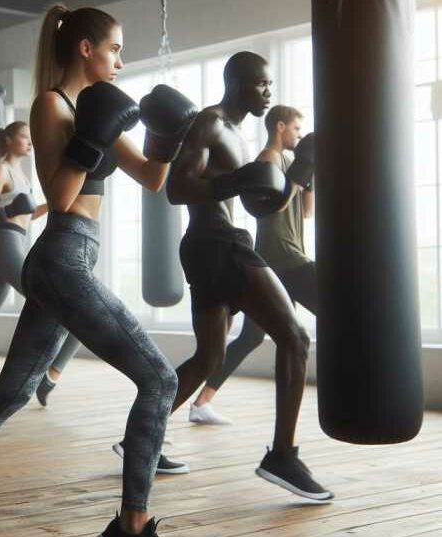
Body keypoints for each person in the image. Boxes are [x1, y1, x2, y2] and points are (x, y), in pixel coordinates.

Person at [0, 5, 197, 537]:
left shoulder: (98, 105)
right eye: (114, 49)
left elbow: (154, 178)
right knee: (160, 379)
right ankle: (133, 526)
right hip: (62, 256)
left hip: (69, 260)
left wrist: (167, 135)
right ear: (86, 48)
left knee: (10, 394)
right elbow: (61, 197)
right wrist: (93, 139)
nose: (121, 60)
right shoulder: (52, 105)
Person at [165, 51, 331, 501]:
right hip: (221, 243)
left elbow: (262, 201)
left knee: (209, 355)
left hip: (207, 247)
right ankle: (282, 455)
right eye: (261, 84)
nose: (268, 92)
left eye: (270, 85)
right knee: (295, 338)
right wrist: (234, 184)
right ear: (237, 82)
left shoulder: (236, 133)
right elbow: (177, 188)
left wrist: (299, 174)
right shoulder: (211, 123)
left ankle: (145, 433)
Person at [189, 105, 316, 426]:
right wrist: (301, 172)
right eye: (296, 130)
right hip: (281, 257)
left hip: (287, 255)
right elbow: (274, 206)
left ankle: (202, 402)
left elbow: (305, 213)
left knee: (251, 338)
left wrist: (310, 172)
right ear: (280, 127)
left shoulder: (290, 161)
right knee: (338, 314)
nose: (299, 136)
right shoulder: (267, 160)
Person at [0, 120, 82, 408]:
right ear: (9, 140)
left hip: (17, 242)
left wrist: (53, 204)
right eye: (24, 137)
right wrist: (10, 210)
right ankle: (48, 376)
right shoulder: (0, 171)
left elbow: (28, 215)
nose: (30, 142)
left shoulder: (22, 176)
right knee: (59, 304)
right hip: (3, 243)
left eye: (31, 138)